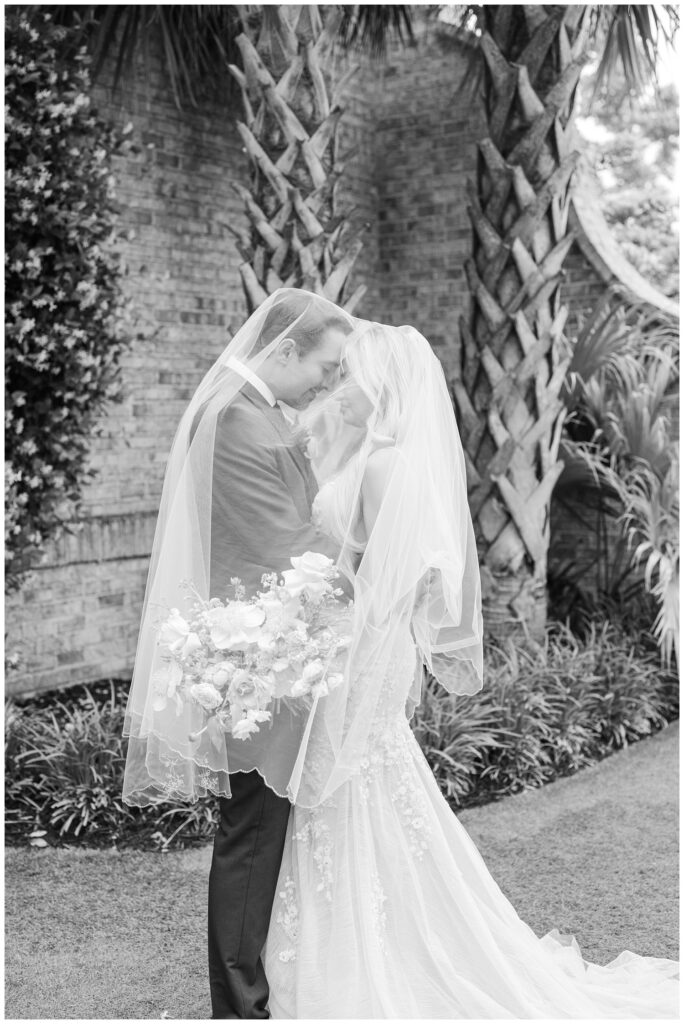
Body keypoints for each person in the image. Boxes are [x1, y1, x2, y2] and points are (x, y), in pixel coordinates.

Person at [259, 319, 679, 1018]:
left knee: (345, 782)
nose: (339, 386)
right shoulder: (371, 454)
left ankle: (362, 960)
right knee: (355, 786)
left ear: (382, 385)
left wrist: (323, 634)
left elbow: (393, 583)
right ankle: (347, 945)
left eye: (350, 376)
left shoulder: (386, 462)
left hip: (360, 650)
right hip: (356, 646)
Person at [122, 289, 355, 1018]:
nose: (327, 381)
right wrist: (372, 560)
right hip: (263, 663)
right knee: (253, 839)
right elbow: (282, 549)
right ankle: (240, 1005)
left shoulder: (255, 412)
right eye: (324, 363)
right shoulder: (235, 419)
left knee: (265, 834)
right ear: (284, 349)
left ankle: (264, 991)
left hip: (271, 651)